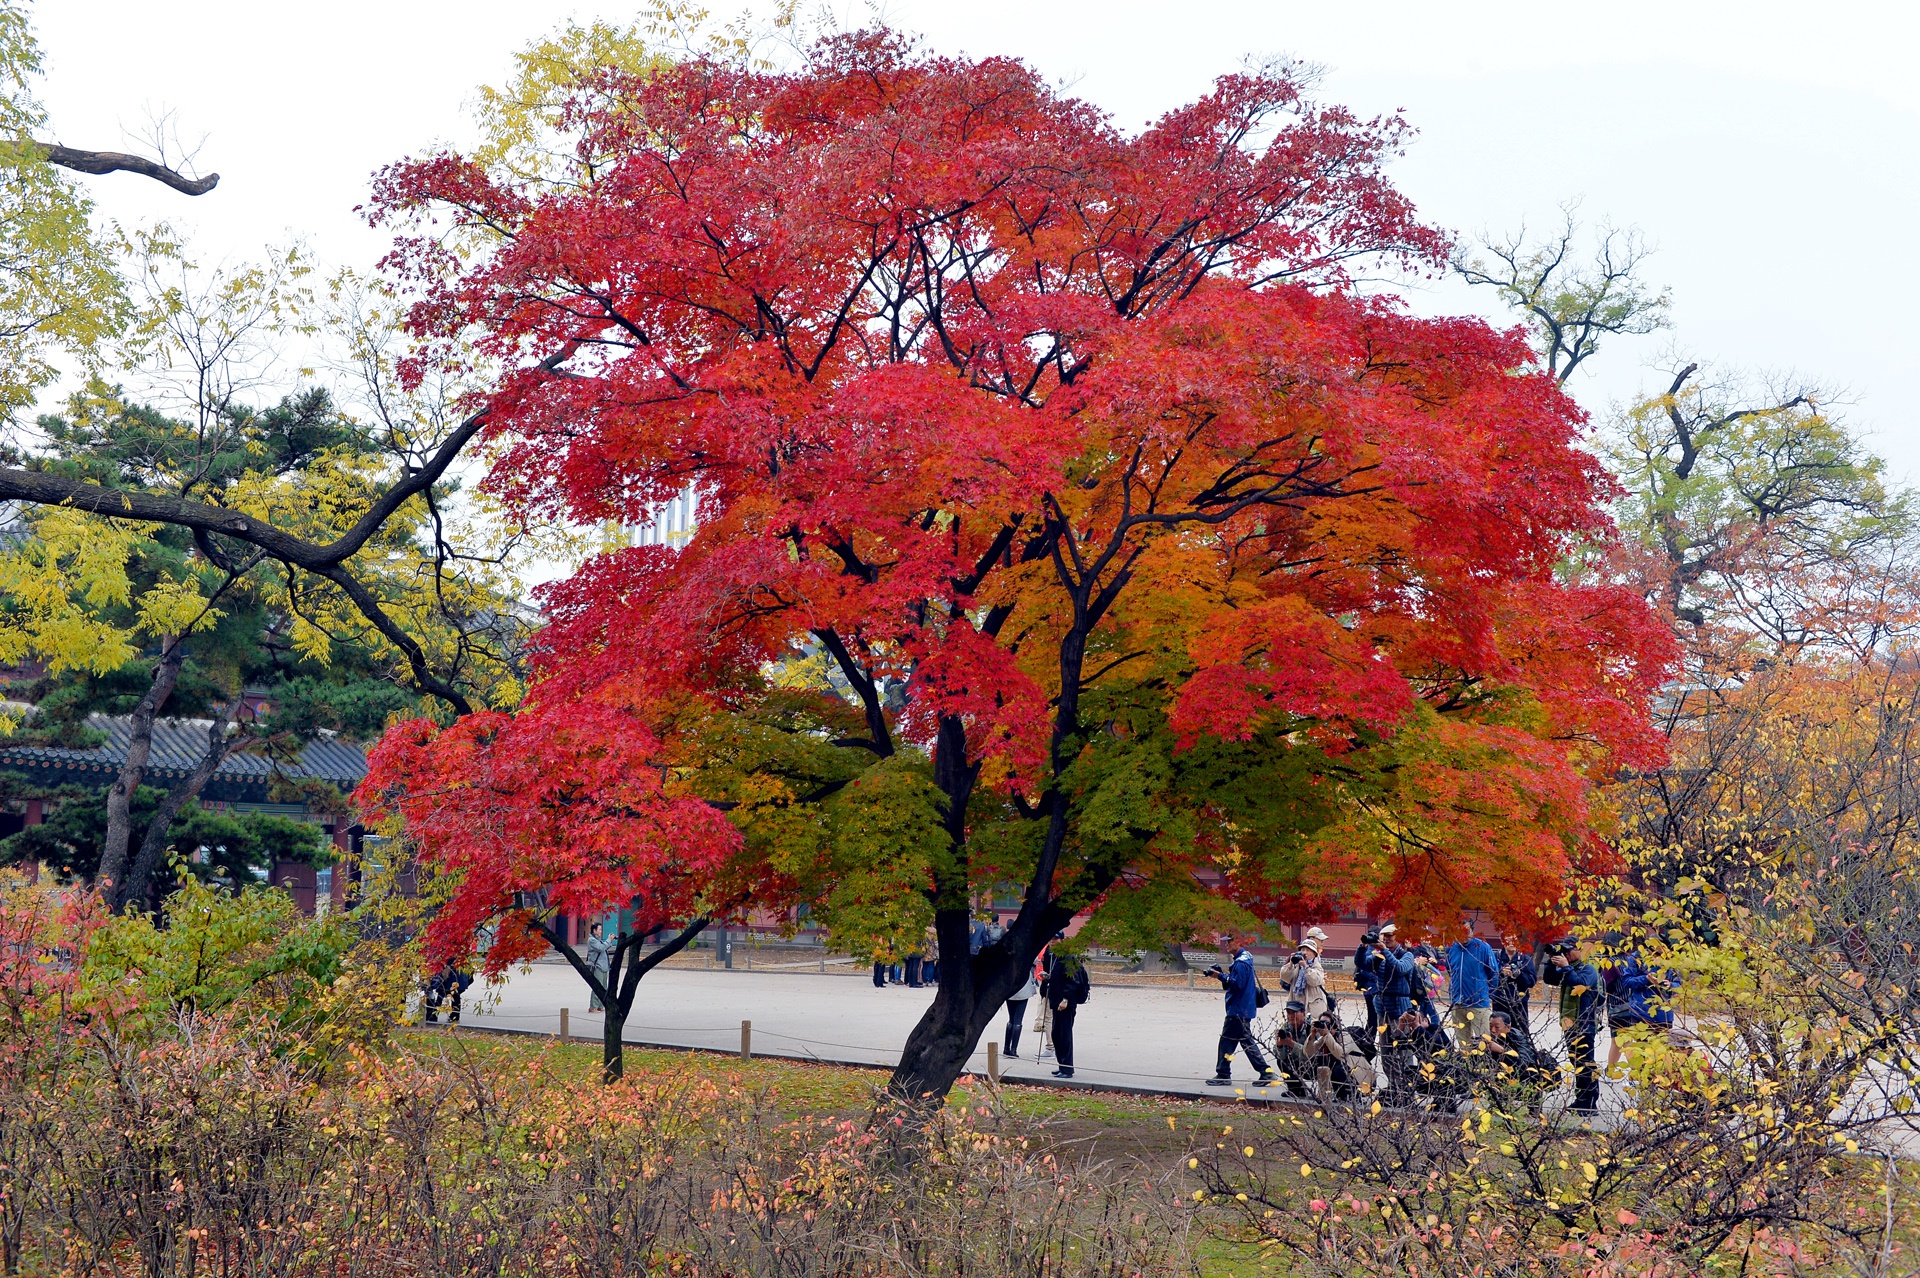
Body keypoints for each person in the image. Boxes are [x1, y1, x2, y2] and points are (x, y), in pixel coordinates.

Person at [1543, 936, 1604, 1115]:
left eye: (1569, 950)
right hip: (1570, 1023)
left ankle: (1589, 1103)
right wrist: (1551, 961)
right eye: (1564, 951)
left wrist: (1566, 967)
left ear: (1580, 950)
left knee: (1585, 1063)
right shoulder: (1570, 968)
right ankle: (1581, 1099)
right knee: (1576, 1061)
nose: (1567, 954)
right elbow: (1550, 979)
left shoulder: (1589, 968)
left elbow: (1580, 984)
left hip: (1585, 1023)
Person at [1205, 941, 1279, 1087]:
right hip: (1243, 1008)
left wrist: (1220, 976)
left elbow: (1237, 984)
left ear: (1238, 943)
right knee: (1234, 1041)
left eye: (1230, 942)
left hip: (1238, 1009)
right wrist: (1222, 975)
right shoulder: (1245, 959)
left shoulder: (1241, 963)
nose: (1226, 945)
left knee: (1238, 1041)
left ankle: (1263, 1071)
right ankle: (1225, 1073)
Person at [1040, 939, 1090, 1078]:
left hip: (1066, 1002)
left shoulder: (1068, 956)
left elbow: (1074, 981)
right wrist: (1048, 978)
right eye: (1050, 939)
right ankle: (1062, 1065)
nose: (1052, 942)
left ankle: (1067, 1069)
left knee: (1064, 1035)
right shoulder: (1053, 956)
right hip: (1056, 1000)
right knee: (1056, 1034)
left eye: (1056, 939)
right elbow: (1059, 977)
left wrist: (1065, 999)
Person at [1445, 923, 1498, 1043]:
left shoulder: (1483, 947)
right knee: (1463, 1043)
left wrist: (1486, 994)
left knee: (1484, 1042)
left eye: (1466, 931)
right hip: (1458, 1003)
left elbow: (1494, 973)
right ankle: (1466, 1061)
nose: (1463, 935)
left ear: (1472, 931)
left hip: (1478, 1003)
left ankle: (1484, 1062)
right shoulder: (1451, 947)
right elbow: (1450, 969)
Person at [1304, 1010, 1375, 1099]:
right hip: (1345, 1074)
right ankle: (1338, 1095)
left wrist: (1327, 1034)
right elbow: (1309, 1052)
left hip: (1362, 1079)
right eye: (1321, 1023)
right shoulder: (1325, 1038)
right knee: (1317, 1062)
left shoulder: (1344, 1035)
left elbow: (1340, 1053)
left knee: (1338, 1068)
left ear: (1334, 1025)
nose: (1323, 1025)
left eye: (1326, 1023)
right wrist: (1312, 1036)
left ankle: (1352, 1096)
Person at [1489, 931, 1538, 1047]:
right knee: (1498, 1033)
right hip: (1500, 1002)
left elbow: (1531, 982)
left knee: (1521, 1034)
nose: (1511, 943)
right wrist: (1501, 974)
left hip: (1519, 1004)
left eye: (1514, 940)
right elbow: (1488, 978)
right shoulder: (1495, 958)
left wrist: (1519, 974)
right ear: (1502, 942)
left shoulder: (1525, 960)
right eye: (1508, 940)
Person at [1276, 929, 1331, 1019]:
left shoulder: (1316, 965)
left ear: (1314, 953)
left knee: (1314, 1028)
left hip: (1313, 1005)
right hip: (1296, 1003)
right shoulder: (1296, 965)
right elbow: (1284, 977)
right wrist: (1290, 964)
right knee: (1296, 1028)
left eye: (1308, 950)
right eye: (1303, 950)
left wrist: (1306, 967)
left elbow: (1314, 980)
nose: (1305, 952)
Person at [423, 960, 473, 1025]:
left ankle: (435, 1015)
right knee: (454, 997)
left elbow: (447, 968)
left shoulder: (452, 960)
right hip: (459, 977)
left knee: (442, 995)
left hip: (452, 978)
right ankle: (454, 1017)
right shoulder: (464, 958)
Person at [1004, 964, 1039, 1057]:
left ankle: (1006, 1047)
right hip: (1023, 988)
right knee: (1017, 1020)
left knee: (1011, 1019)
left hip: (1010, 989)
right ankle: (1013, 1050)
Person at [585, 921, 614, 1013]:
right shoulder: (592, 940)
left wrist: (609, 941)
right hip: (597, 967)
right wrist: (609, 940)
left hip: (604, 967)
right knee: (598, 987)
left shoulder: (598, 940)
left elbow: (603, 947)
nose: (601, 931)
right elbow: (601, 948)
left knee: (604, 987)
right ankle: (593, 1006)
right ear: (594, 930)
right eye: (600, 929)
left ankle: (600, 1006)